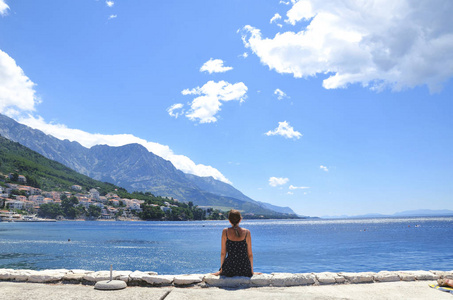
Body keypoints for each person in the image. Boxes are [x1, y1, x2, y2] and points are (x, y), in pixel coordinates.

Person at [212, 209, 261, 277]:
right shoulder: (247, 232)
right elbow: (250, 254)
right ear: (240, 220)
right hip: (245, 269)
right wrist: (251, 271)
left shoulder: (225, 232)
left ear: (229, 220)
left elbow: (223, 253)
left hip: (229, 269)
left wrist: (221, 270)